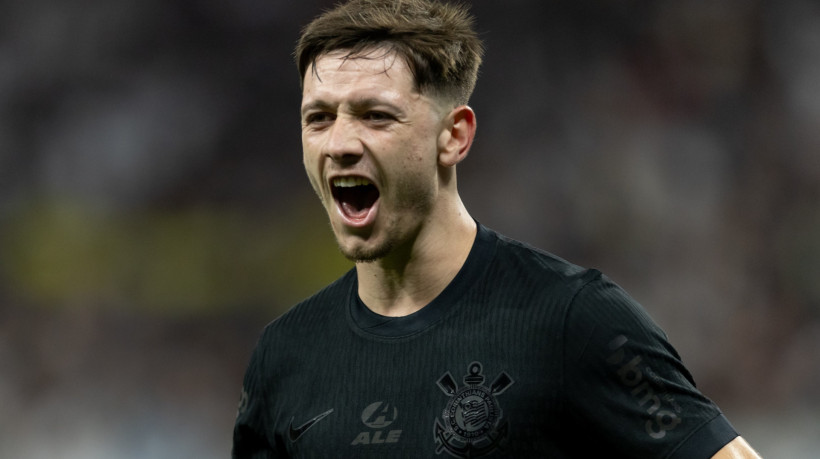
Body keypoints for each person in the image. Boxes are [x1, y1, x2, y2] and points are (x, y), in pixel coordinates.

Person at [233, 0, 762, 457]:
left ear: (454, 136)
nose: (339, 144)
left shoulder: (572, 321)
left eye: (375, 115)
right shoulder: (284, 356)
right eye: (319, 118)